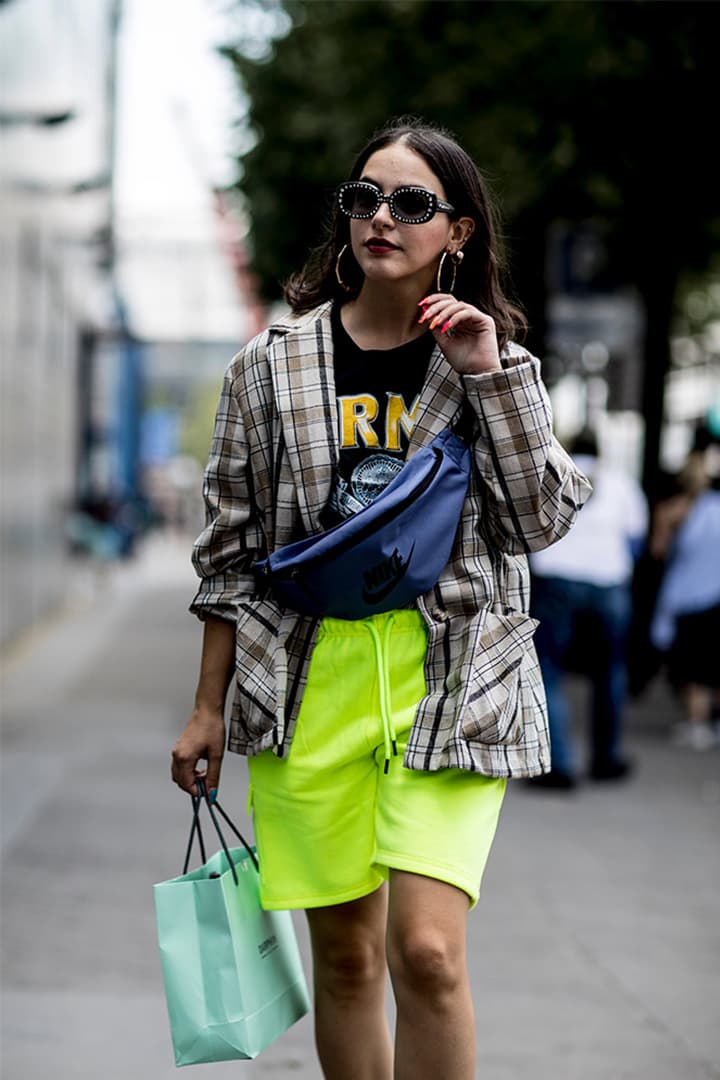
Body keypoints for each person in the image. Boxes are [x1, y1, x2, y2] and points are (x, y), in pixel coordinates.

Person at [171, 117, 590, 1079]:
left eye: (411, 203)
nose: (381, 218)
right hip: (308, 680)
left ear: (460, 232)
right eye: (364, 198)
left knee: (429, 955)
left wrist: (489, 377)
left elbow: (543, 521)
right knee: (349, 959)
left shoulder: (494, 364)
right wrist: (205, 707)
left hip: (451, 676)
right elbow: (229, 551)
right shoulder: (270, 369)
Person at [528, 428, 648, 789]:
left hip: (557, 578)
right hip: (608, 580)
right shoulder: (621, 483)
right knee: (610, 670)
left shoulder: (549, 472)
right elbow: (635, 539)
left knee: (549, 669)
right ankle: (605, 758)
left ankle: (558, 765)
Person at [650, 446, 720, 750]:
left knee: (692, 667)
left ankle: (697, 724)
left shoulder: (680, 510)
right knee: (709, 663)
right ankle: (706, 721)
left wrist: (663, 523)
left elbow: (658, 550)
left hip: (691, 597)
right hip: (713, 595)